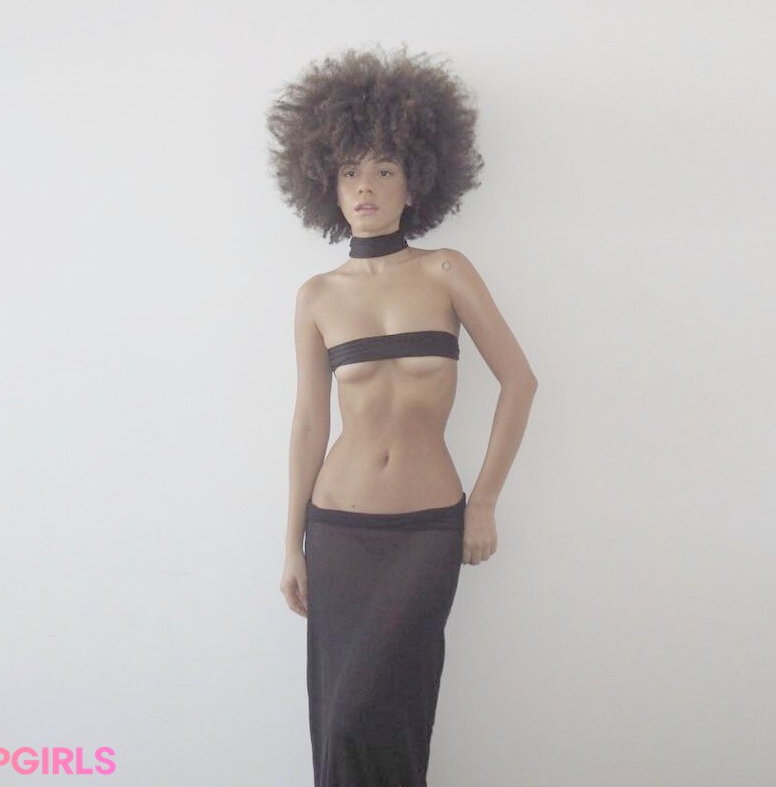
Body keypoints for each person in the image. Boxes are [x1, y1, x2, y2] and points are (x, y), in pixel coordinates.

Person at [267, 47, 538, 787]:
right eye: (350, 171)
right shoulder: (317, 295)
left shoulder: (446, 270)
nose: (366, 186)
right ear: (327, 185)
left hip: (426, 530)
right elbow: (308, 425)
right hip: (338, 530)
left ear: (415, 181)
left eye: (384, 170)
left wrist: (484, 502)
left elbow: (520, 382)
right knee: (343, 717)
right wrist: (291, 544)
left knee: (394, 710)